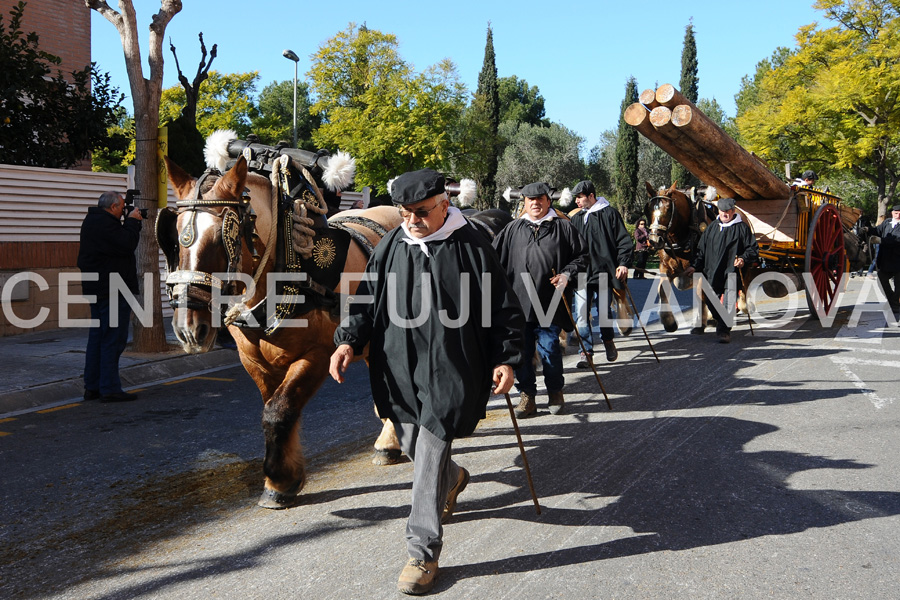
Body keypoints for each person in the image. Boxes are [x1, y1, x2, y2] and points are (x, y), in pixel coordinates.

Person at [328, 168, 524, 595]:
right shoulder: (394, 245)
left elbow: (504, 307)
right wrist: (346, 341)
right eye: (404, 213)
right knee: (414, 442)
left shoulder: (471, 245)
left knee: (431, 446)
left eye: (420, 212)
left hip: (453, 367)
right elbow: (366, 299)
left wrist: (506, 358)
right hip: (396, 366)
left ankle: (422, 551)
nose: (412, 220)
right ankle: (453, 478)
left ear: (444, 205)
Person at [492, 181, 587, 417]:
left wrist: (567, 274)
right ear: (524, 203)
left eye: (540, 199)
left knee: (550, 350)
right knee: (521, 353)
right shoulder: (512, 229)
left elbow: (583, 257)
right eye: (530, 200)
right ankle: (527, 396)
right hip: (518, 305)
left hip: (550, 303)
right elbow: (493, 260)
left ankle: (555, 391)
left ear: (548, 201)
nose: (535, 203)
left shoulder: (564, 228)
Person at [76, 190, 143, 402]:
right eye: (122, 207)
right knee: (113, 339)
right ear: (113, 207)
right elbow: (126, 243)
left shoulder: (92, 221)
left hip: (98, 289)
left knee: (97, 338)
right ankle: (109, 388)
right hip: (113, 289)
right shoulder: (106, 225)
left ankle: (93, 386)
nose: (124, 210)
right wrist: (133, 222)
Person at [568, 180, 632, 367]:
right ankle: (585, 352)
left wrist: (623, 263)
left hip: (604, 272)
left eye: (579, 197)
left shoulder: (610, 214)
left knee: (604, 312)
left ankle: (608, 341)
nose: (577, 202)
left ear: (590, 196)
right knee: (581, 314)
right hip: (582, 274)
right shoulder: (577, 218)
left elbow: (623, 241)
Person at [683, 197, 759, 344]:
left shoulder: (741, 228)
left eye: (728, 211)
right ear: (719, 211)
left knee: (729, 302)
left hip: (732, 271)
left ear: (733, 211)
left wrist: (743, 258)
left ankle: (723, 331)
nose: (725, 214)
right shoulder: (711, 228)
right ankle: (722, 320)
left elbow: (752, 249)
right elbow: (701, 251)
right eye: (723, 211)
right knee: (711, 300)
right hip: (711, 271)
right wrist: (694, 266)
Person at [874, 204, 900, 315]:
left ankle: (894, 304)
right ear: (892, 213)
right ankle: (893, 301)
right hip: (885, 259)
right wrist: (867, 230)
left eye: (899, 213)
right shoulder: (887, 222)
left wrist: (881, 241)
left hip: (898, 260)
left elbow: (897, 239)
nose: (897, 214)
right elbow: (877, 230)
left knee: (899, 285)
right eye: (896, 212)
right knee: (881, 279)